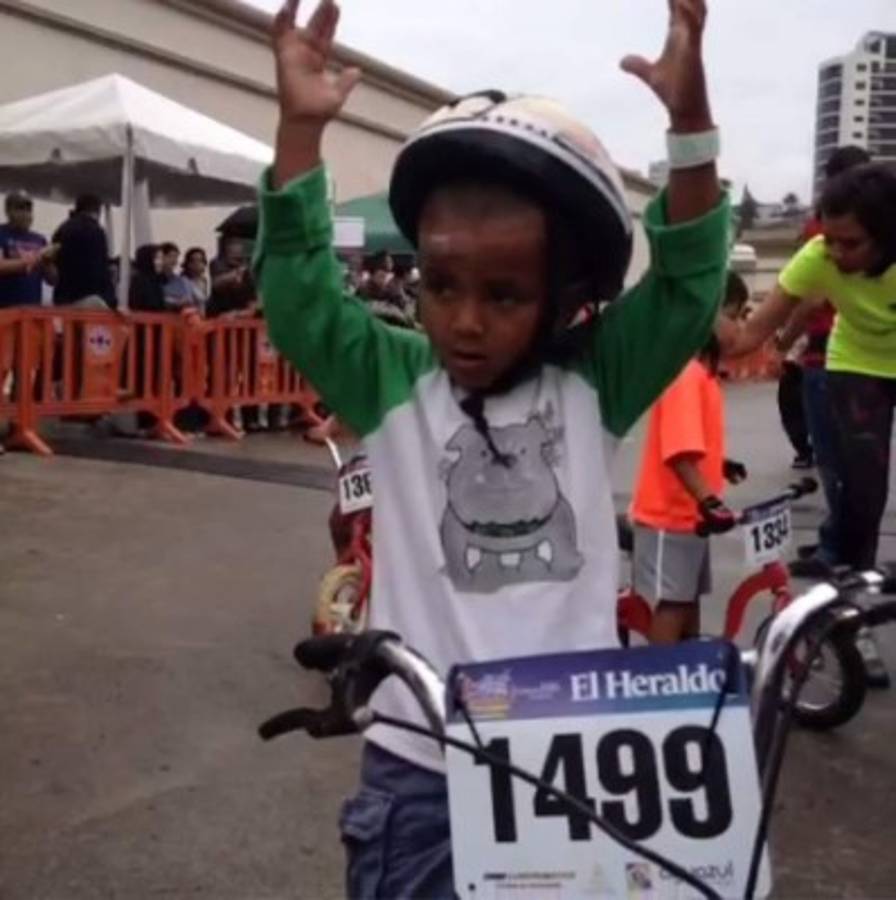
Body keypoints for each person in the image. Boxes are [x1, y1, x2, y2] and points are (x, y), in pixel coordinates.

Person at [261, 1, 728, 895]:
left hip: (576, 754)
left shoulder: (598, 378)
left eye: (505, 295)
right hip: (420, 763)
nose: (464, 320)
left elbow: (686, 284)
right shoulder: (391, 378)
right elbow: (303, 297)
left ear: (566, 297)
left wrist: (691, 128)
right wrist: (297, 135)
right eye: (440, 284)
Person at [629, 275, 749, 645]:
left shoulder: (703, 374)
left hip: (691, 518)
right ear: (706, 316)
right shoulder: (686, 375)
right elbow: (679, 454)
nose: (742, 327)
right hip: (670, 517)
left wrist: (719, 462)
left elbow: (692, 443)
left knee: (688, 599)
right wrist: (710, 500)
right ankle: (660, 680)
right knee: (674, 604)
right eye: (736, 315)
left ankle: (689, 667)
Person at [777, 145, 870, 578]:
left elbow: (808, 296)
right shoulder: (873, 228)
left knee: (835, 458)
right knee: (862, 464)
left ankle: (840, 549)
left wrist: (782, 343)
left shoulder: (824, 230)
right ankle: (845, 542)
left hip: (829, 355)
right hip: (858, 359)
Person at [52, 194, 116, 308]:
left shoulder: (63, 229)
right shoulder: (97, 231)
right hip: (92, 297)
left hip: (65, 296)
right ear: (97, 211)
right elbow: (99, 268)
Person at [0, 191, 56, 309]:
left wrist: (48, 262)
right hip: (6, 311)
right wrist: (34, 259)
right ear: (8, 211)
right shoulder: (2, 234)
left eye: (28, 209)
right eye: (20, 208)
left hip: (33, 312)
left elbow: (52, 279)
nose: (25, 214)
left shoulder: (40, 239)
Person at [181, 247, 210, 312]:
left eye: (200, 260)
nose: (196, 264)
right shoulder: (183, 282)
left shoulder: (206, 281)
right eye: (193, 261)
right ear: (187, 264)